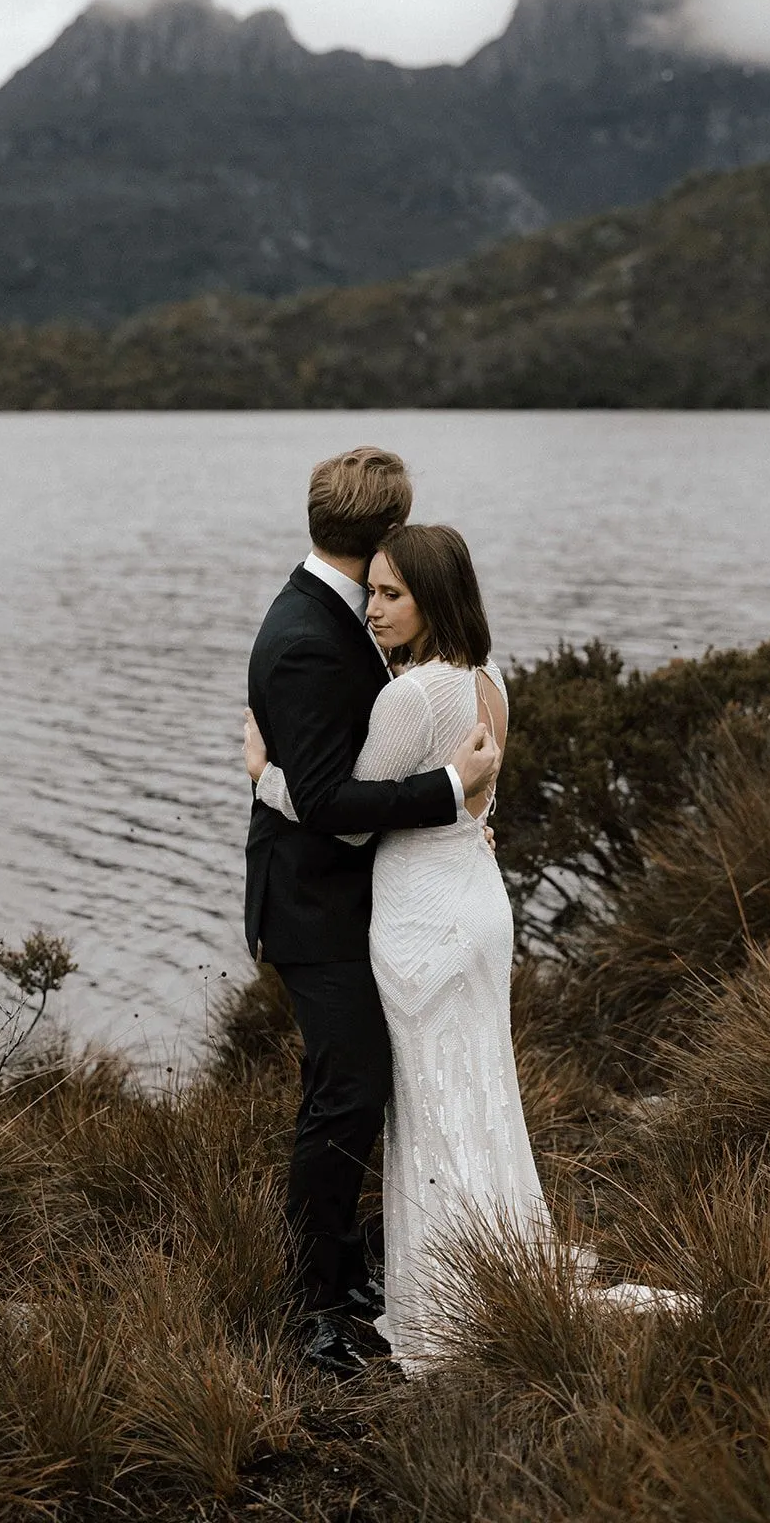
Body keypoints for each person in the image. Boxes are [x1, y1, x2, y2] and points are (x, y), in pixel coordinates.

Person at [247, 522, 691, 1376]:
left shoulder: (410, 699)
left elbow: (348, 824)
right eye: (371, 591)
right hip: (481, 908)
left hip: (421, 914)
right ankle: (499, 1265)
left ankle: (450, 1293)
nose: (371, 610)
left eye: (390, 595)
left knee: (426, 1103)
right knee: (477, 1090)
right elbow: (468, 808)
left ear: (432, 600)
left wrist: (265, 776)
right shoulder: (491, 683)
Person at [244, 450, 500, 1375]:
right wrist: (449, 791)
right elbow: (321, 800)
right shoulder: (311, 634)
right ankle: (306, 1306)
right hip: (314, 907)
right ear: (388, 526)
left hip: (373, 901)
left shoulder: (349, 618)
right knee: (346, 1096)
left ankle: (343, 1266)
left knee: (357, 1094)